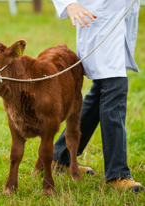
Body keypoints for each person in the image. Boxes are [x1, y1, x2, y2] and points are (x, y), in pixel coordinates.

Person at [52, 0, 144, 191]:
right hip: (97, 20)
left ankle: (61, 157)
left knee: (100, 94)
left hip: (118, 21)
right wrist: (68, 3)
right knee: (114, 90)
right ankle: (118, 174)